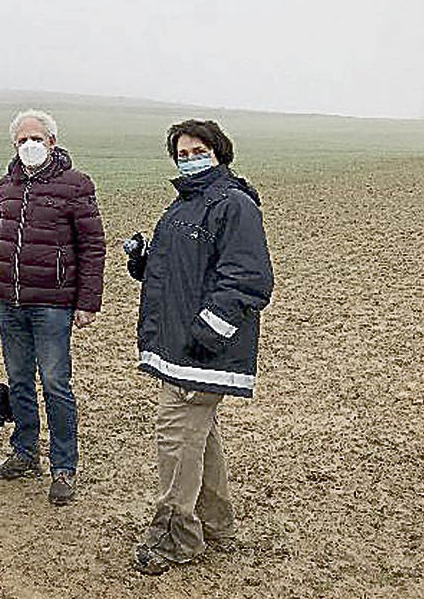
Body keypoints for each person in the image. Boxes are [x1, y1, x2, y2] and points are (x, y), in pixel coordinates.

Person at [127, 119, 274, 574]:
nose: (189, 157)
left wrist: (208, 332)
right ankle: (217, 524)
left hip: (201, 353)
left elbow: (249, 280)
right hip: (179, 346)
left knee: (176, 440)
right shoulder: (184, 205)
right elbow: (184, 272)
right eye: (182, 152)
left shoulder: (233, 205)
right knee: (199, 437)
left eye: (198, 150)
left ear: (219, 152)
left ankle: (176, 538)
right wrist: (144, 261)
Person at [0, 109, 106, 505]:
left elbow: (92, 246)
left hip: (52, 304)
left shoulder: (75, 185)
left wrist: (88, 302)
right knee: (18, 380)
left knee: (55, 383)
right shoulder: (7, 185)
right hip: (11, 302)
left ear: (52, 142)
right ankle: (24, 451)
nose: (29, 146)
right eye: (22, 140)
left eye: (36, 139)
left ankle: (64, 465)